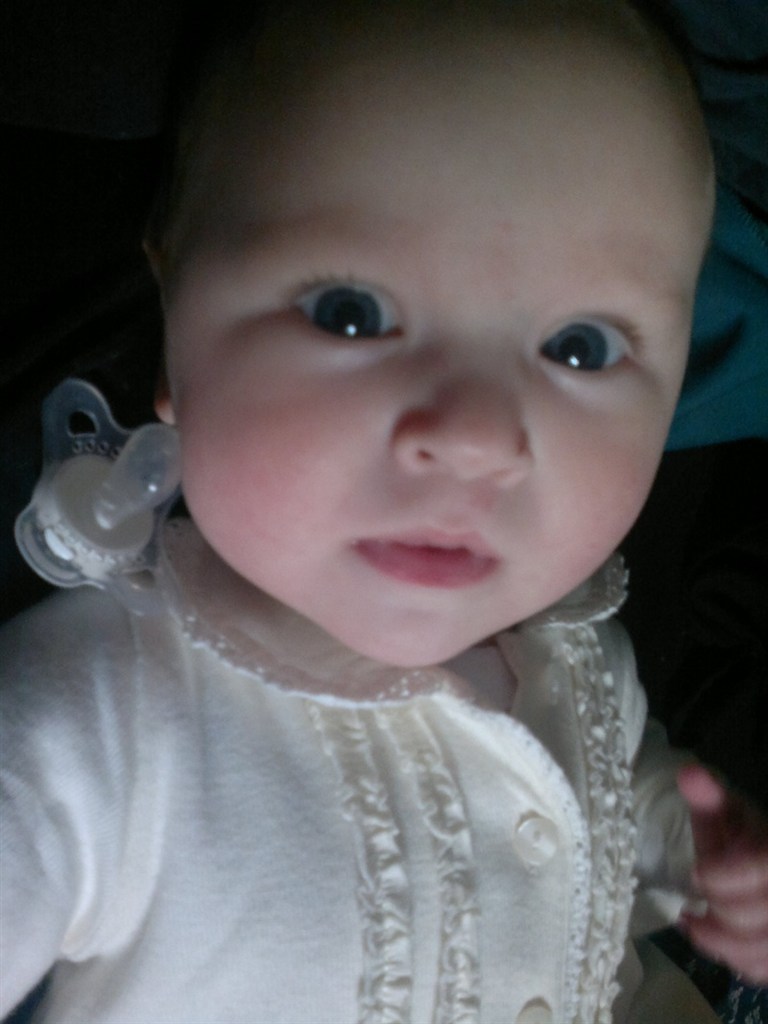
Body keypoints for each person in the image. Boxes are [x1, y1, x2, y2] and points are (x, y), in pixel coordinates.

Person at [1, 1, 766, 1021]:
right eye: (350, 315)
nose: (477, 436)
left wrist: (702, 856)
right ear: (175, 325)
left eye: (581, 347)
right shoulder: (95, 712)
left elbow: (617, 815)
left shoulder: (581, 657)